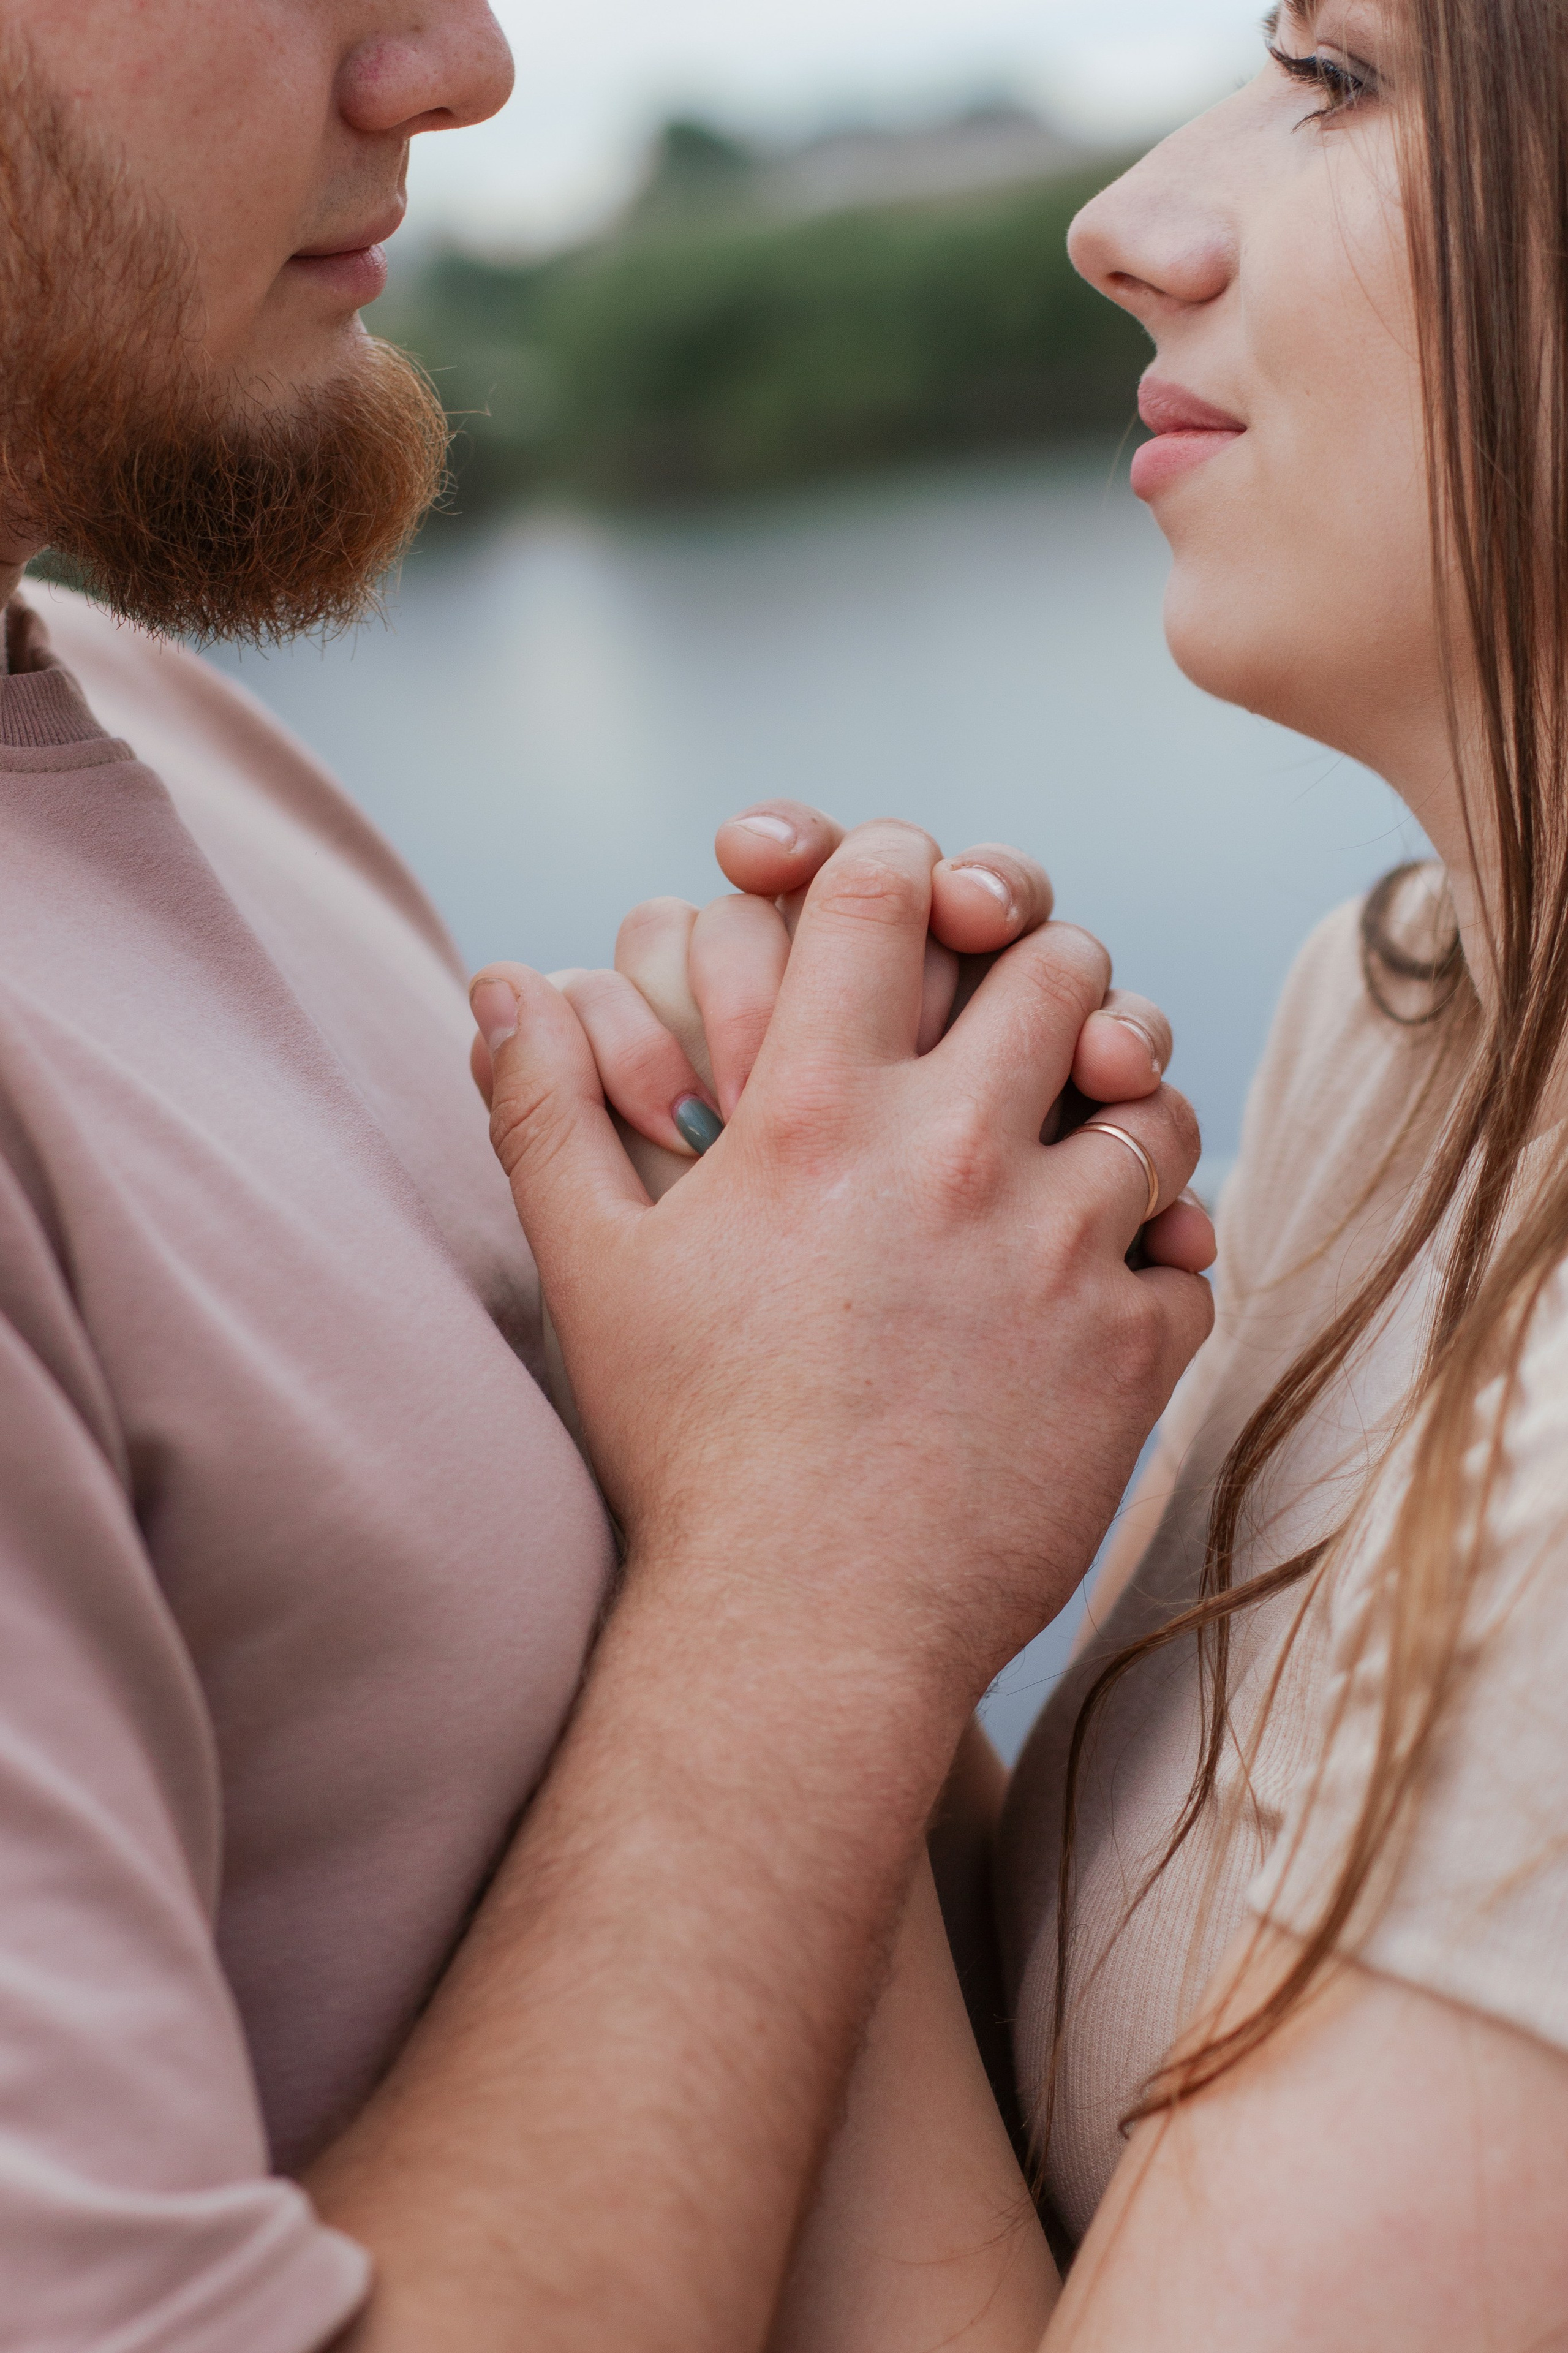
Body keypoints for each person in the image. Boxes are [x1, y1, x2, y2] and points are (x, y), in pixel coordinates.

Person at [0, 6, 1216, 2349]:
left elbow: (755, 1862)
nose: (459, 71)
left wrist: (795, 1297)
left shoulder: (152, 720)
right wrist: (811, 1555)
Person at [571, 0, 1568, 2341]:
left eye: (1342, 82)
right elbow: (1095, 2063)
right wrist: (800, 1306)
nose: (1119, 227)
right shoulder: (1409, 1015)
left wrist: (783, 1554)